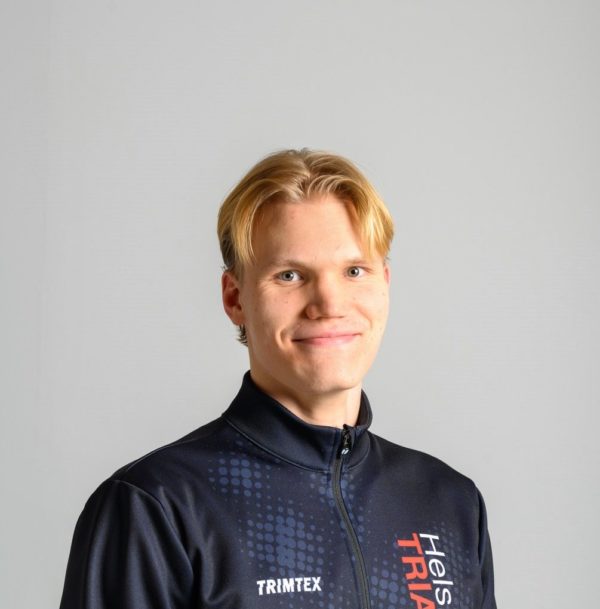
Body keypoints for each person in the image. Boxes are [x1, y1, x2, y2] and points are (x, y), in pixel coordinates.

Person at [59, 149, 497, 609]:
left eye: (354, 271)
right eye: (290, 275)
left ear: (384, 283)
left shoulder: (450, 502)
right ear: (235, 299)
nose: (329, 304)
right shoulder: (158, 507)